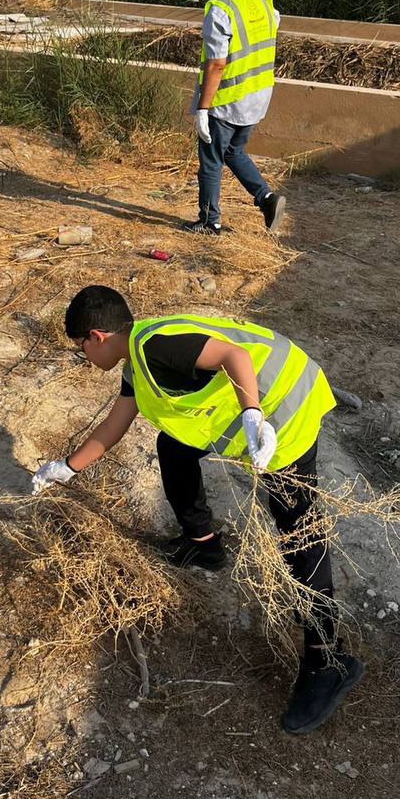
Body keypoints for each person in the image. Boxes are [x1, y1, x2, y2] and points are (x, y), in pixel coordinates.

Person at [30, 285, 364, 735]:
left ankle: (327, 661)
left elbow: (234, 356)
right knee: (174, 446)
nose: (85, 358)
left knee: (298, 531)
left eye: (81, 348)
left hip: (284, 408)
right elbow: (114, 425)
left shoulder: (155, 346)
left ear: (96, 336)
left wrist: (252, 414)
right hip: (264, 406)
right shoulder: (137, 360)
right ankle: (203, 544)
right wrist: (67, 468)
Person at [185, 0, 285, 237]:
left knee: (211, 160)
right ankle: (267, 199)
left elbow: (216, 64)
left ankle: (209, 222)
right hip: (257, 97)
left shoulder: (220, 10)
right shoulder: (264, 1)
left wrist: (203, 109)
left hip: (227, 100)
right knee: (233, 151)